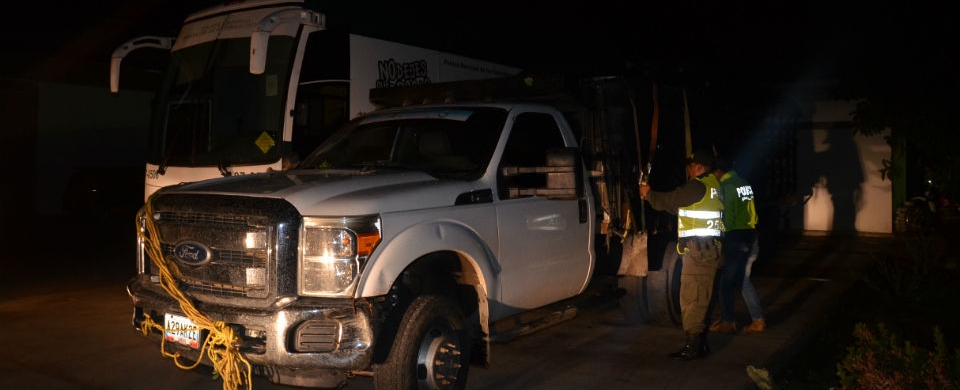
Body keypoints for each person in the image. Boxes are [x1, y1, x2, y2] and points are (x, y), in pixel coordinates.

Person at [640, 147, 724, 360]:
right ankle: (700, 345)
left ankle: (693, 348)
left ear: (698, 167)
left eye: (690, 166)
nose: (688, 170)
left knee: (692, 299)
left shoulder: (697, 186)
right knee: (701, 297)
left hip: (699, 251)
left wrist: (648, 194)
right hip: (707, 249)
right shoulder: (713, 186)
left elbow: (671, 199)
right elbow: (680, 207)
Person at [709, 158, 766, 334]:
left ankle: (728, 321)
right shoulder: (744, 183)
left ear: (718, 172)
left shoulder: (725, 187)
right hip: (751, 234)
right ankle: (758, 320)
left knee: (724, 282)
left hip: (736, 237)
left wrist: (720, 236)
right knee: (742, 280)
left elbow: (728, 217)